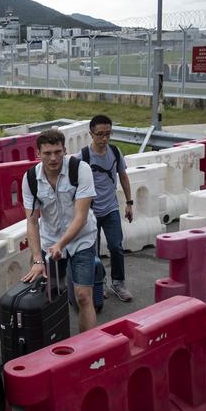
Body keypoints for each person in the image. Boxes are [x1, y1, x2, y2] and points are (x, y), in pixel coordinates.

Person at [22, 129, 98, 332]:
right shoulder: (30, 178)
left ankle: (89, 350)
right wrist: (38, 259)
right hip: (50, 243)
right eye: (47, 153)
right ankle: (54, 343)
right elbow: (32, 222)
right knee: (50, 296)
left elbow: (81, 217)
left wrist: (61, 244)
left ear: (65, 150)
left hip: (82, 239)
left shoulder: (80, 169)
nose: (53, 158)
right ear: (38, 154)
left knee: (83, 296)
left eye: (57, 152)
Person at [80, 114, 134, 303]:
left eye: (108, 134)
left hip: (111, 208)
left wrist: (129, 203)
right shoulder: (83, 157)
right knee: (91, 251)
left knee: (116, 246)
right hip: (91, 211)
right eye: (100, 134)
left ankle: (118, 283)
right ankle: (98, 283)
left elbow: (124, 177)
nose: (104, 139)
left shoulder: (115, 151)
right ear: (91, 134)